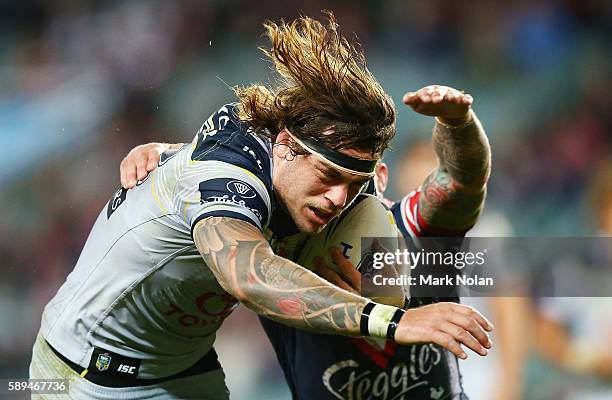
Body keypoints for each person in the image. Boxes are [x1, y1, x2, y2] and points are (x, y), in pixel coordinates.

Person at [121, 82, 492, 398]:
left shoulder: (415, 230)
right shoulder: (287, 252)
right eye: (330, 176)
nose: (337, 198)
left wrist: (458, 123)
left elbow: (462, 180)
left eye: (354, 183)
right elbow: (236, 183)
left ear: (377, 179)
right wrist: (176, 162)